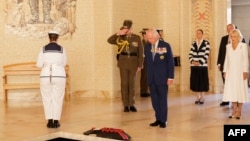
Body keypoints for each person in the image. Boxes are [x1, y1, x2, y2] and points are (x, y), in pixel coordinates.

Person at [107, 20, 143, 112]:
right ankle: (126, 105)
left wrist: (140, 65)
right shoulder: (120, 37)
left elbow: (141, 52)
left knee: (132, 84)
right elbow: (109, 40)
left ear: (131, 28)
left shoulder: (137, 38)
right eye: (125, 28)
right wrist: (118, 33)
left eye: (129, 28)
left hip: (134, 63)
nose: (127, 30)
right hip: (123, 63)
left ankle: (132, 104)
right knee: (124, 84)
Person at [36, 30, 67, 128]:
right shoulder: (62, 49)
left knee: (46, 98)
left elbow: (39, 64)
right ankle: (56, 121)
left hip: (45, 75)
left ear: (49, 38)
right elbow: (64, 63)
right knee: (58, 98)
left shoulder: (43, 49)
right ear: (57, 38)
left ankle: (49, 121)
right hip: (59, 75)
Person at [144, 28, 175, 128]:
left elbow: (170, 62)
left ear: (157, 36)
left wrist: (170, 77)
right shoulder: (147, 46)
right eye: (148, 38)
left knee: (162, 99)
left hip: (162, 77)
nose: (149, 40)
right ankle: (158, 118)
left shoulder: (165, 46)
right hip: (151, 78)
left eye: (151, 38)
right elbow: (148, 62)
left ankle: (163, 120)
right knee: (154, 100)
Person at [222, 29, 249, 119]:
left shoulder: (243, 46)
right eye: (231, 36)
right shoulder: (228, 46)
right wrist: (225, 71)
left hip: (240, 72)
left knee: (240, 91)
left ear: (238, 37)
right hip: (231, 72)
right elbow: (226, 59)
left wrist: (245, 71)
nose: (233, 38)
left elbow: (246, 59)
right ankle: (234, 110)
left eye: (235, 36)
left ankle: (239, 111)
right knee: (232, 91)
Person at [217, 24, 245, 106]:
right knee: (226, 83)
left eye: (231, 28)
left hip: (236, 66)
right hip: (225, 65)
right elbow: (221, 51)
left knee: (235, 84)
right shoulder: (224, 39)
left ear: (235, 29)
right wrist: (219, 63)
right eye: (228, 28)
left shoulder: (241, 39)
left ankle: (236, 100)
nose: (229, 30)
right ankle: (226, 100)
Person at [189, 29, 210, 105]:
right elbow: (190, 54)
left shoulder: (206, 43)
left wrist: (199, 62)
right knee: (196, 82)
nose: (198, 34)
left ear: (202, 34)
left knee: (202, 82)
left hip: (202, 66)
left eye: (200, 33)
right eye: (197, 33)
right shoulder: (193, 43)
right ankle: (197, 97)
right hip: (194, 66)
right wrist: (193, 61)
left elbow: (206, 54)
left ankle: (202, 97)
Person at [140, 28, 150, 97]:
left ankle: (146, 90)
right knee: (144, 76)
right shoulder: (141, 43)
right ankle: (143, 91)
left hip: (149, 61)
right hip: (144, 61)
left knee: (148, 76)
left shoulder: (149, 43)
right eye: (146, 34)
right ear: (143, 35)